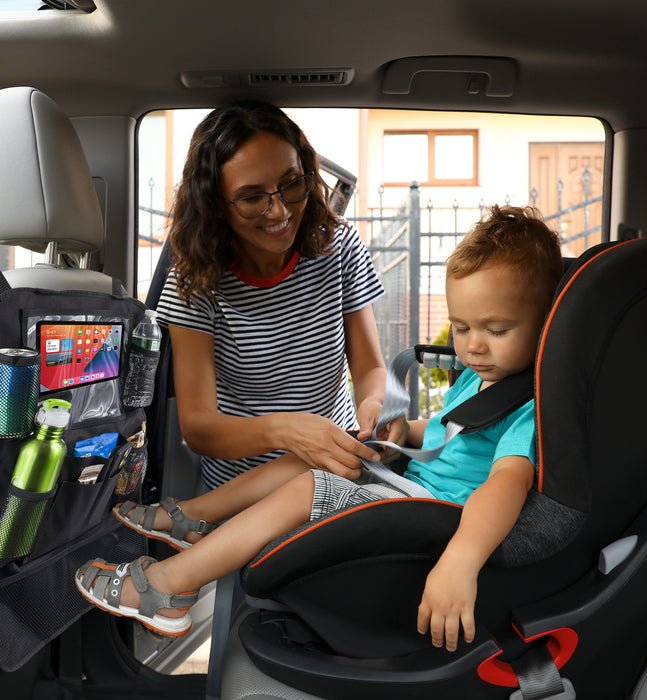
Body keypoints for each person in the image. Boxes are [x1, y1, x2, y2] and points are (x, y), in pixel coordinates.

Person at [77, 205, 564, 652]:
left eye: (496, 331)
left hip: (440, 520)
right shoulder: (480, 380)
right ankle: (192, 516)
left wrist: (461, 560)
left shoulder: (528, 408)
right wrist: (404, 434)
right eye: (461, 328)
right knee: (317, 455)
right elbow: (443, 433)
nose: (474, 346)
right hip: (413, 489)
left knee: (314, 485)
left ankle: (167, 589)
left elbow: (504, 486)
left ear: (545, 324)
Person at [155, 100, 401, 491]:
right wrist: (286, 431)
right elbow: (199, 427)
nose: (280, 211)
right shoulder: (193, 286)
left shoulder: (341, 247)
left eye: (291, 184)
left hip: (332, 475)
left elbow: (370, 369)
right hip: (238, 493)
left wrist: (375, 405)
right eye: (253, 198)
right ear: (216, 206)